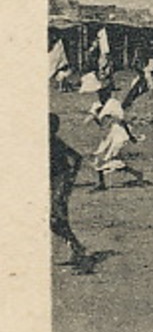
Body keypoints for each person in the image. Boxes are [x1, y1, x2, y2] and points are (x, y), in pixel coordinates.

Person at [49, 113, 90, 269]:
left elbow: (77, 157)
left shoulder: (55, 142)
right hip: (54, 182)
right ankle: (76, 247)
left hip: (61, 180)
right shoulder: (46, 141)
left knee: (56, 215)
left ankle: (78, 252)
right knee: (55, 221)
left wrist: (71, 177)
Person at [90, 99, 146, 190]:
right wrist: (95, 118)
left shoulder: (113, 103)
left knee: (110, 158)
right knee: (100, 157)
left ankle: (136, 174)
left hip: (118, 133)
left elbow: (122, 121)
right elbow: (101, 123)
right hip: (108, 135)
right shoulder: (96, 105)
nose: (101, 94)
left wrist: (130, 136)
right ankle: (101, 183)